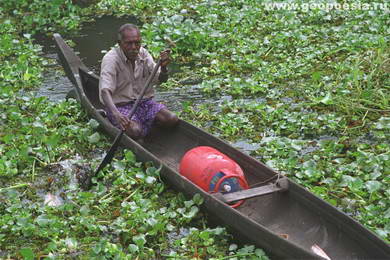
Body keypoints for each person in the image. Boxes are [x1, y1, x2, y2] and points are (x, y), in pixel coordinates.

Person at [99, 23, 178, 140]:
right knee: (135, 131)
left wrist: (164, 68)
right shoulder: (111, 59)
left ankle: (145, 126)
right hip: (120, 106)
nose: (134, 47)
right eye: (129, 43)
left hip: (143, 103)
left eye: (137, 43)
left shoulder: (143, 54)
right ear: (120, 43)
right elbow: (105, 91)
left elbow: (161, 80)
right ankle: (136, 127)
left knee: (171, 119)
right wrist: (117, 115)